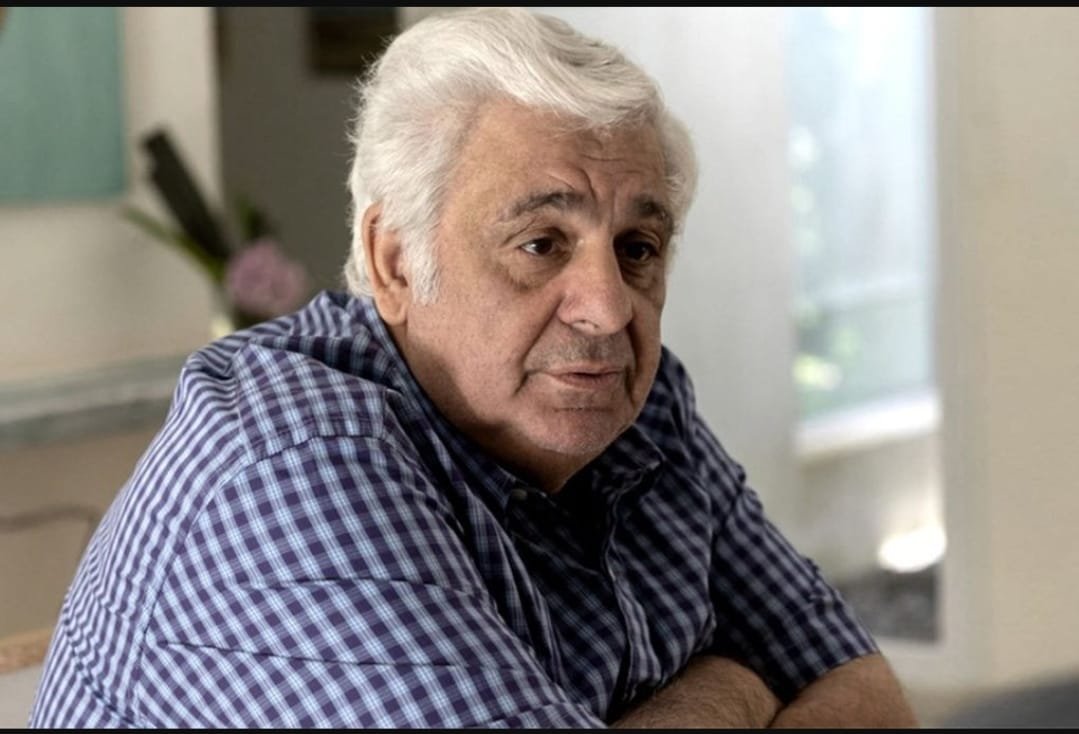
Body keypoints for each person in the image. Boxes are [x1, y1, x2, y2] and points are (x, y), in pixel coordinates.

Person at [30, 8, 918, 728]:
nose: (608, 309)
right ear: (394, 261)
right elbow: (795, 670)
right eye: (540, 243)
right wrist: (737, 683)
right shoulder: (293, 462)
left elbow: (865, 693)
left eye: (637, 248)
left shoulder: (641, 405)